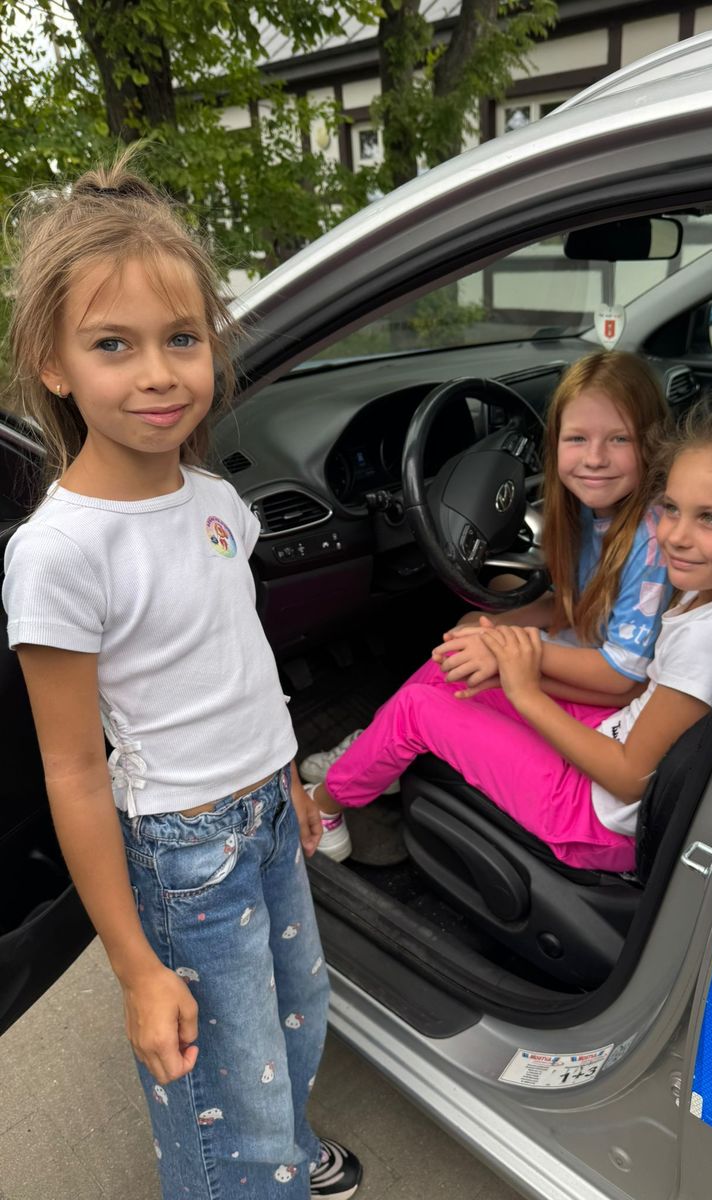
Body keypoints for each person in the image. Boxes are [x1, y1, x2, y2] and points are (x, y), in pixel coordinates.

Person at [2, 153, 361, 1200]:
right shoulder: (61, 553)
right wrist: (133, 966)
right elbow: (74, 769)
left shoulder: (212, 500)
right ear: (54, 363)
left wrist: (286, 778)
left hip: (264, 813)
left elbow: (237, 658)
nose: (158, 373)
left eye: (182, 339)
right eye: (113, 344)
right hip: (182, 850)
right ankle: (253, 1172)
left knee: (296, 1019)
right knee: (221, 1087)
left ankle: (280, 1146)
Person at [304, 403, 712, 872]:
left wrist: (526, 692)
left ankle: (326, 807)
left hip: (593, 819)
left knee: (419, 707)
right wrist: (514, 666)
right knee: (464, 665)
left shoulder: (711, 636)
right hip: (614, 744)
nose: (675, 535)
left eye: (711, 519)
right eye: (672, 508)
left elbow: (629, 779)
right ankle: (374, 757)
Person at [300, 351, 673, 853]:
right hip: (594, 670)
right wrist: (494, 630)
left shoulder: (650, 540)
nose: (595, 458)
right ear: (553, 443)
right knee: (468, 635)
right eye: (577, 439)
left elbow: (621, 676)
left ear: (652, 443)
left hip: (610, 703)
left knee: (435, 687)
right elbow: (572, 605)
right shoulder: (594, 512)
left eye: (618, 439)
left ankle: (330, 801)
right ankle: (372, 749)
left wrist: (507, 652)